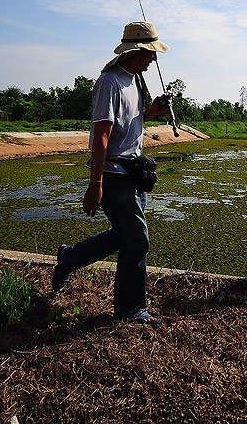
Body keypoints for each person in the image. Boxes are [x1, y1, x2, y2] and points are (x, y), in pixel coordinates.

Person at [52, 21, 171, 326]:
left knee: (124, 236)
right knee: (138, 240)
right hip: (113, 172)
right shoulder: (110, 82)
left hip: (133, 170)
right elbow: (102, 134)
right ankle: (131, 309)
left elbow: (129, 121)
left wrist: (152, 113)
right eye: (151, 53)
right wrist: (96, 183)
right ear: (137, 51)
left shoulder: (134, 80)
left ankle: (68, 258)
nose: (154, 60)